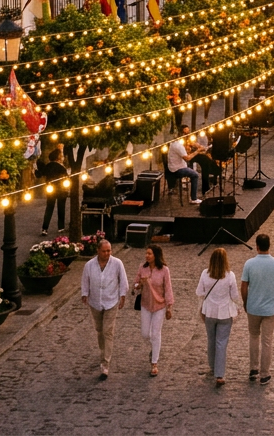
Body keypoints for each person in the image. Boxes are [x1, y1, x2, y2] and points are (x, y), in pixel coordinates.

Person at [240, 233, 274, 385]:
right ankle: (265, 373)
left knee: (254, 337)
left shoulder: (249, 264)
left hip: (253, 307)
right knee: (267, 341)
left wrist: (246, 302)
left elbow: (244, 286)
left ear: (257, 246)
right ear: (269, 246)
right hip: (269, 309)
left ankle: (253, 368)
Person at [80, 239, 129, 379]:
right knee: (99, 330)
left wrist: (123, 296)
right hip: (95, 302)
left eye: (109, 251)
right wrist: (84, 294)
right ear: (98, 251)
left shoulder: (117, 263)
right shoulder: (89, 265)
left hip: (111, 301)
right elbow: (85, 280)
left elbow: (123, 280)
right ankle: (103, 352)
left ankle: (105, 363)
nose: (107, 253)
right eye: (104, 251)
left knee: (108, 331)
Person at [196, 247, 241, 386]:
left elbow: (199, 292)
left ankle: (212, 365)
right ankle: (219, 374)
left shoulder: (205, 273)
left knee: (211, 340)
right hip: (225, 313)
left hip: (209, 312)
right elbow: (235, 296)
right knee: (221, 343)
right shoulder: (230, 275)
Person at [134, 245, 173, 376]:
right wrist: (140, 284)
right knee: (145, 333)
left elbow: (168, 288)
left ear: (156, 255)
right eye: (146, 253)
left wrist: (169, 306)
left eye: (149, 253)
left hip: (159, 305)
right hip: (145, 304)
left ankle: (154, 362)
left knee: (156, 333)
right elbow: (135, 285)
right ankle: (153, 347)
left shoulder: (164, 270)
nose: (147, 256)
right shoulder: (142, 268)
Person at [166, 126, 201, 205]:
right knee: (195, 175)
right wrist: (198, 151)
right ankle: (193, 198)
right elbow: (187, 158)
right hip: (177, 170)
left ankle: (191, 191)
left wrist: (196, 146)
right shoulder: (178, 145)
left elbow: (190, 146)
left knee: (191, 169)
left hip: (175, 166)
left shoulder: (175, 143)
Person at [39, 148, 69, 234]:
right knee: (61, 208)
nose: (62, 157)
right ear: (58, 157)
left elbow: (42, 173)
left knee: (49, 208)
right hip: (61, 189)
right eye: (61, 155)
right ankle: (61, 227)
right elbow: (66, 177)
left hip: (51, 189)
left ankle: (45, 228)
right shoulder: (61, 167)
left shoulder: (48, 166)